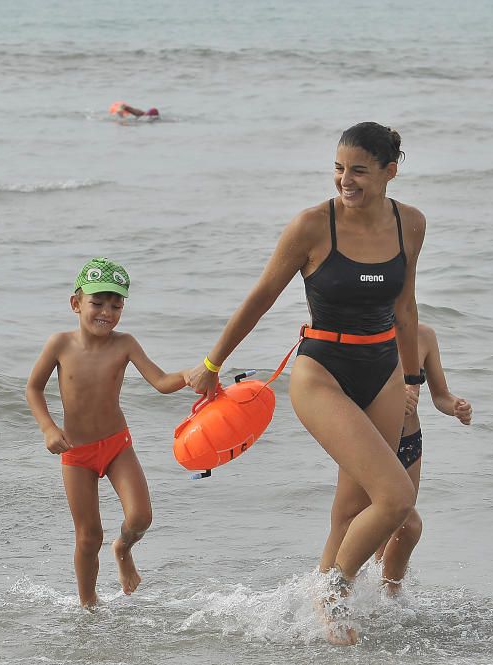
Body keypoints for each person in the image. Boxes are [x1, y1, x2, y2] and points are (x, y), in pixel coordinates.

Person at [186, 122, 425, 645]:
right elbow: (261, 296)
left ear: (390, 171)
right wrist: (212, 362)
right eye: (339, 168)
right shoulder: (313, 226)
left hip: (382, 370)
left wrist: (412, 380)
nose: (346, 180)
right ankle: (332, 590)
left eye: (359, 170)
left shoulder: (411, 224)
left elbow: (405, 308)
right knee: (396, 497)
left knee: (354, 505)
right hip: (321, 372)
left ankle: (327, 614)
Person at [25, 258, 187, 608]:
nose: (106, 312)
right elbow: (33, 389)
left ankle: (123, 549)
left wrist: (193, 375)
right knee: (88, 536)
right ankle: (89, 607)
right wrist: (48, 428)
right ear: (76, 303)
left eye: (116, 305)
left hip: (117, 446)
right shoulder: (59, 344)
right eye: (97, 303)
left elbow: (160, 382)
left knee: (141, 516)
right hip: (76, 453)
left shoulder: (124, 344)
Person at [375, 322, 472, 594]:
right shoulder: (363, 332)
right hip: (372, 440)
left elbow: (440, 395)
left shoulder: (424, 335)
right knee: (400, 522)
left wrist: (455, 407)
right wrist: (392, 397)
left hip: (409, 442)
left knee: (400, 526)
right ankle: (375, 594)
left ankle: (386, 598)